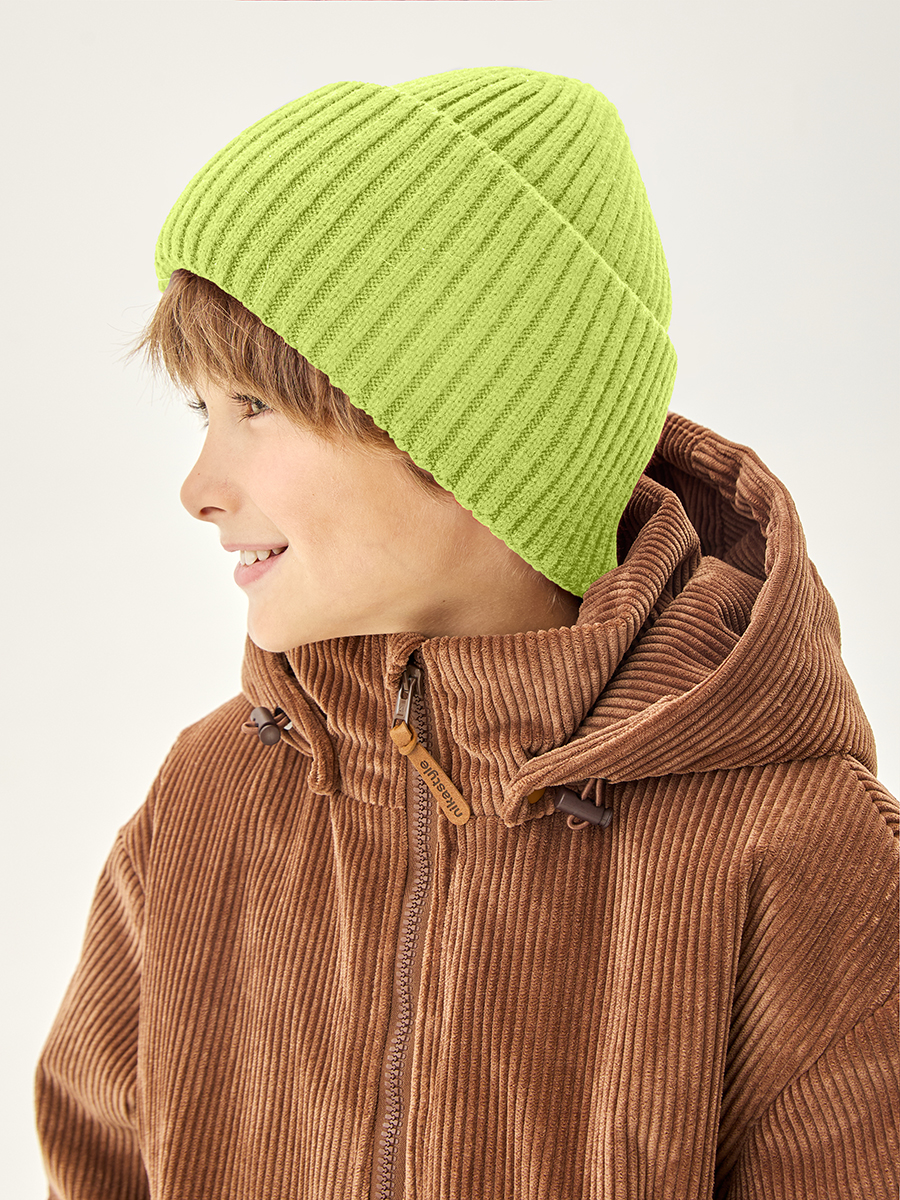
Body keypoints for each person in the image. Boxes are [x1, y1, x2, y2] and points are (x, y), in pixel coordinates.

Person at [35, 66, 898, 1200]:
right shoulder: (207, 800)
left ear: (475, 432)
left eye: (257, 407)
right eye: (204, 410)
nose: (199, 487)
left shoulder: (796, 853)